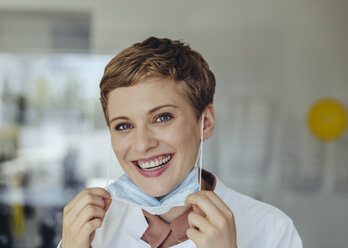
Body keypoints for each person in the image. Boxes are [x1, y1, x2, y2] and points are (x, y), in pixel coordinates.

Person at [58, 37, 302, 248]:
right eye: (124, 126)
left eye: (162, 118)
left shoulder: (272, 230)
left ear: (204, 123)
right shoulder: (89, 229)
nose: (142, 144)